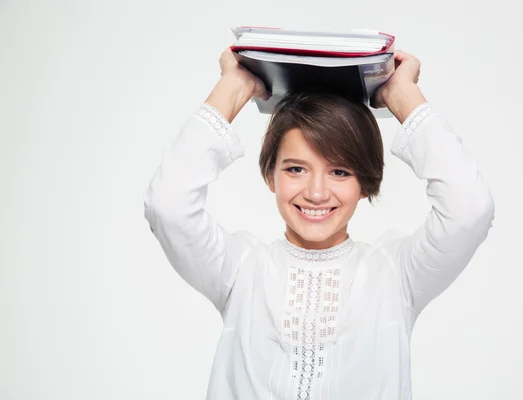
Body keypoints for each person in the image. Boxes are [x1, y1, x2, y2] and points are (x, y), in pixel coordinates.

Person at [143, 47, 495, 400]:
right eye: (296, 169)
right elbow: (168, 204)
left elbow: (470, 209)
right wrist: (233, 86)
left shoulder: (395, 274)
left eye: (340, 172)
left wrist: (402, 96)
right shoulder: (240, 269)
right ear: (270, 175)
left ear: (365, 183)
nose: (315, 192)